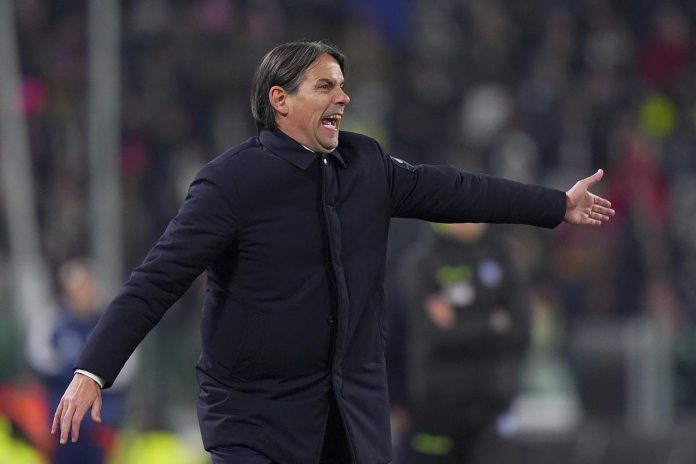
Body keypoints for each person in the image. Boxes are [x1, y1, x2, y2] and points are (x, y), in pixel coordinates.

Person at [51, 40, 614, 464]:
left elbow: (456, 189)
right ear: (280, 100)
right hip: (257, 419)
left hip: (351, 415)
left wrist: (554, 205)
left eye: (343, 85)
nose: (343, 97)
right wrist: (94, 370)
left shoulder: (365, 163)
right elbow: (157, 279)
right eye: (326, 86)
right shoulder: (230, 183)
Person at [395, 222, 530, 464]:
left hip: (493, 402)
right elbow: (427, 334)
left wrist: (456, 325)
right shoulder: (421, 263)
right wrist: (492, 324)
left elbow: (521, 331)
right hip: (435, 405)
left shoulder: (504, 258)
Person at [28, 260, 135, 463]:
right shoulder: (53, 320)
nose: (82, 294)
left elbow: (127, 368)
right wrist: (73, 371)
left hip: (100, 419)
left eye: (86, 287)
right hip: (58, 417)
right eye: (77, 288)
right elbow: (37, 356)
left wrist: (94, 376)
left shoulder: (108, 322)